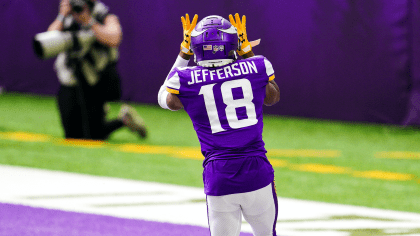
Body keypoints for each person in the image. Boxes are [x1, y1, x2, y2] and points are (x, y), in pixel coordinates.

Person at [158, 13, 280, 236]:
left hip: (219, 175)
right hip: (256, 169)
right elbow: (272, 97)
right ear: (232, 43)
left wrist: (183, 54)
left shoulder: (185, 79)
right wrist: (247, 53)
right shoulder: (258, 65)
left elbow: (163, 98)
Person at [47, 0, 147, 140]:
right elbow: (48, 41)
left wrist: (88, 21)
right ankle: (122, 119)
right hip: (69, 80)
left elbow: (114, 38)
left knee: (94, 136)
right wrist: (62, 16)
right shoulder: (67, 16)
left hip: (93, 83)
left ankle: (123, 120)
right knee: (72, 136)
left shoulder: (102, 14)